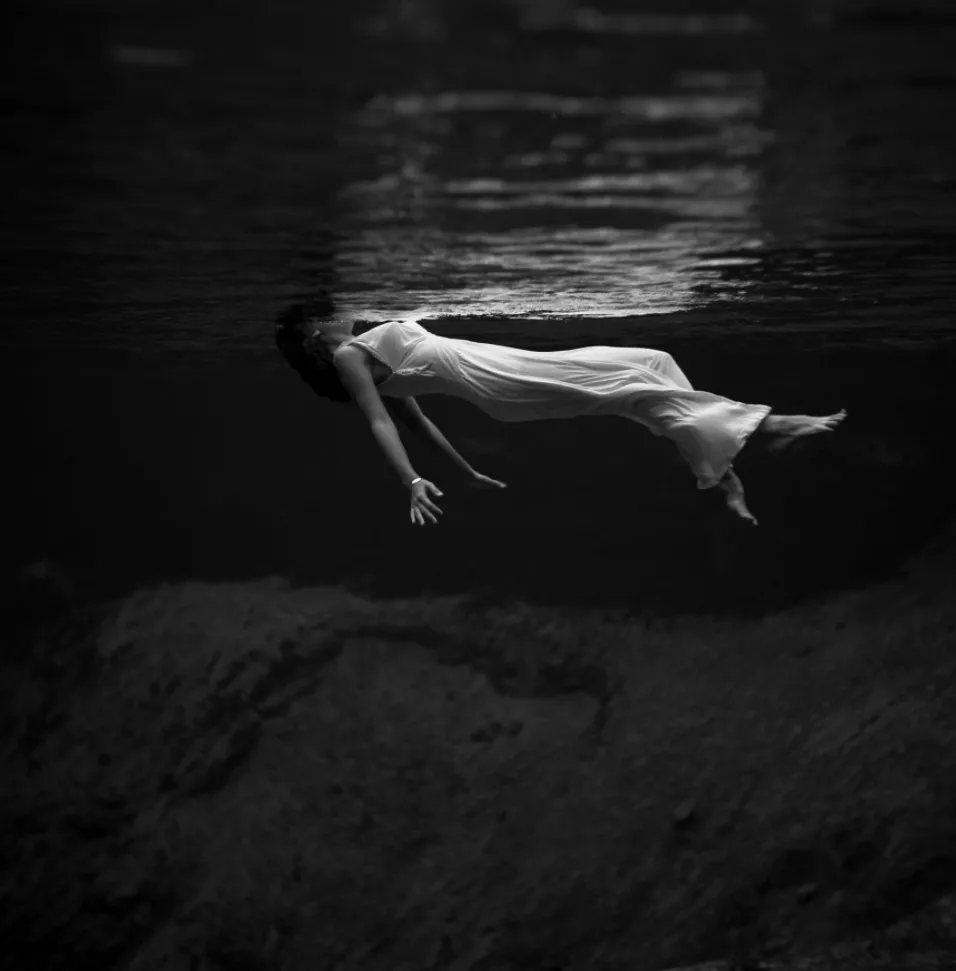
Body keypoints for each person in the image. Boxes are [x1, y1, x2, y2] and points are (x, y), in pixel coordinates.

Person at [275, 302, 845, 528]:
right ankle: (772, 428)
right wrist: (412, 480)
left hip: (506, 367)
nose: (339, 312)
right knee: (635, 388)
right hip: (501, 383)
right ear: (316, 337)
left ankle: (720, 467)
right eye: (325, 315)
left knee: (651, 362)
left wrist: (466, 471)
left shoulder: (364, 347)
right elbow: (384, 421)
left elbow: (420, 422)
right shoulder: (352, 356)